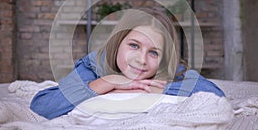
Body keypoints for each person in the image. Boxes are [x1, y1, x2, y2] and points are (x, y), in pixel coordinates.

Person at [30, 8, 225, 119]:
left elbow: (217, 97)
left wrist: (148, 89)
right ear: (118, 41)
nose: (141, 59)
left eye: (154, 53)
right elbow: (42, 105)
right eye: (133, 45)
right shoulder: (94, 65)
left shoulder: (172, 70)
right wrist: (108, 82)